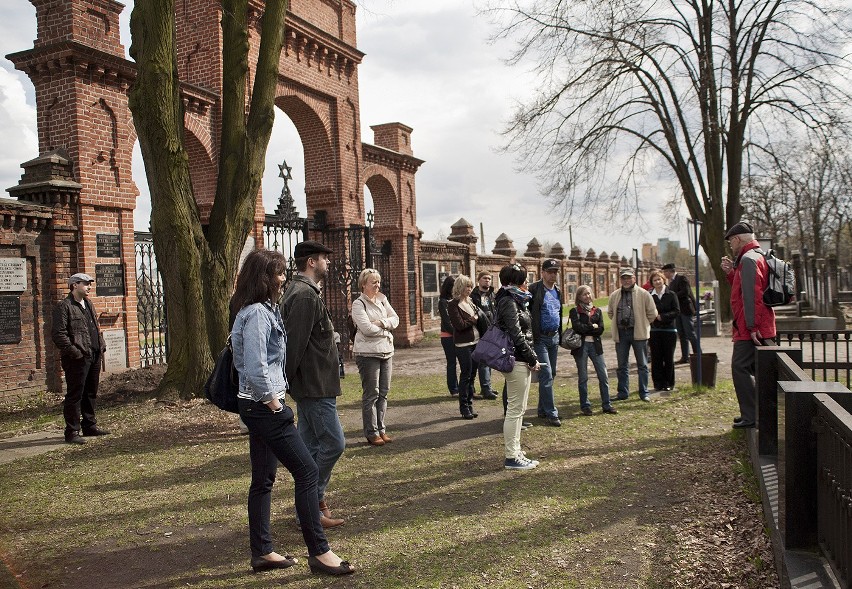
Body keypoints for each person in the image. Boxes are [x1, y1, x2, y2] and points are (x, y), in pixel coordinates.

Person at [230, 249, 354, 577]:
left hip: (256, 406)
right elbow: (256, 365)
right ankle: (320, 552)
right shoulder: (256, 312)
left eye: (283, 272)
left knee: (263, 479)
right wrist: (275, 403)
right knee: (308, 472)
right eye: (278, 273)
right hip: (263, 407)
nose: (283, 278)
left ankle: (263, 552)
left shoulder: (261, 309)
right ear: (263, 278)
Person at [280, 240, 345, 529]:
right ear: (311, 263)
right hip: (313, 384)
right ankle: (312, 503)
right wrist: (285, 381)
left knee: (308, 448)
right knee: (333, 443)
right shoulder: (304, 295)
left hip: (314, 382)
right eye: (323, 259)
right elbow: (294, 344)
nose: (327, 263)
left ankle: (310, 507)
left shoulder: (303, 292)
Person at [721, 221, 776, 429]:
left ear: (736, 239)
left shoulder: (749, 259)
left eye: (731, 243)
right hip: (754, 325)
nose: (731, 247)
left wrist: (753, 327)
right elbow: (744, 288)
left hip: (750, 327)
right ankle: (754, 413)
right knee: (752, 368)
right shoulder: (754, 257)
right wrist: (730, 274)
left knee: (740, 368)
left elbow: (753, 296)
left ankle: (751, 416)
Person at [51, 272, 109, 444]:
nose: (89, 287)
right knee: (75, 394)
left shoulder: (89, 304)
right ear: (74, 285)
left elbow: (94, 327)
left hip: (94, 355)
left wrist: (101, 343)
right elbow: (58, 334)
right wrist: (74, 352)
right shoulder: (64, 306)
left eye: (90, 284)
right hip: (77, 358)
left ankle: (89, 426)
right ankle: (72, 431)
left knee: (91, 392)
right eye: (85, 284)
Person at [495, 263, 543, 470]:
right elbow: (516, 334)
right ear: (515, 281)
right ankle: (511, 456)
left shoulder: (516, 299)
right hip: (517, 360)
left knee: (519, 409)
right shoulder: (508, 301)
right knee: (515, 410)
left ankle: (515, 450)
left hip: (521, 358)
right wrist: (532, 357)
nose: (527, 283)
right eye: (524, 279)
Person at [352, 268, 399, 446]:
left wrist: (381, 322)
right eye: (373, 282)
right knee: (372, 394)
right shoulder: (358, 304)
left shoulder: (382, 299)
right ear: (364, 284)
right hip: (368, 354)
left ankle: (382, 429)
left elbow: (396, 319)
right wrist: (386, 327)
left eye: (378, 282)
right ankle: (371, 432)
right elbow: (366, 329)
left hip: (387, 351)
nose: (377, 285)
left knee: (384, 393)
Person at [608, 268, 659, 402]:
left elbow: (652, 313)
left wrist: (643, 323)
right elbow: (610, 313)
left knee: (642, 364)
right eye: (623, 278)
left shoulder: (643, 294)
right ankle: (623, 392)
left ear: (634, 279)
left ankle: (644, 392)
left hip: (638, 333)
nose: (626, 280)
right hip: (621, 333)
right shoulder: (615, 295)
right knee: (622, 366)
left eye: (628, 278)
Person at [569, 285, 616, 415]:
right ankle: (585, 406)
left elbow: (600, 329)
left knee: (603, 375)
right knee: (583, 377)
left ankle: (607, 405)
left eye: (589, 293)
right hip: (581, 347)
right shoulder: (575, 311)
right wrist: (592, 327)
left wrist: (590, 328)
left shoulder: (598, 311)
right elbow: (578, 327)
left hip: (595, 346)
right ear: (579, 297)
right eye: (584, 294)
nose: (587, 296)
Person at [528, 258, 563, 426]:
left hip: (554, 337)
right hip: (540, 338)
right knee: (546, 374)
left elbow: (558, 312)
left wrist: (560, 335)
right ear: (542, 272)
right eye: (550, 271)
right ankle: (551, 412)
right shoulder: (534, 289)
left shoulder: (558, 290)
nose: (553, 274)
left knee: (551, 374)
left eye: (555, 271)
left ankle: (542, 409)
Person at [448, 275, 481, 419]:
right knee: (466, 375)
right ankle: (464, 408)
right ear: (460, 287)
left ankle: (470, 404)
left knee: (473, 375)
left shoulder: (471, 302)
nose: (469, 289)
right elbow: (459, 325)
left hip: (476, 342)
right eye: (467, 286)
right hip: (463, 345)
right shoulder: (453, 304)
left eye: (470, 286)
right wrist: (473, 320)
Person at [648, 270, 680, 392]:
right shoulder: (650, 296)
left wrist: (663, 316)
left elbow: (676, 311)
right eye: (654, 280)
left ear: (663, 280)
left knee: (668, 357)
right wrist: (654, 317)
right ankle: (658, 383)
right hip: (654, 330)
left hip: (669, 330)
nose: (657, 282)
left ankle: (669, 383)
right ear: (652, 283)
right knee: (656, 358)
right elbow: (647, 311)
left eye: (659, 279)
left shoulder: (671, 294)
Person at [662, 263, 698, 363]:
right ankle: (685, 357)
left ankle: (697, 355)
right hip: (678, 311)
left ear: (670, 271)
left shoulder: (681, 278)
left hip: (685, 309)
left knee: (690, 333)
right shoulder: (671, 282)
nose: (664, 274)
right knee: (682, 335)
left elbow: (685, 292)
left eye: (665, 272)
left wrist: (672, 296)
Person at [470, 270, 498, 400]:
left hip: (492, 331)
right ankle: (486, 389)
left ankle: (488, 387)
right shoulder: (473, 295)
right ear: (479, 280)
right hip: (480, 332)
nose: (487, 280)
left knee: (489, 360)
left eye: (489, 279)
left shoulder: (492, 294)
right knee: (483, 361)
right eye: (485, 278)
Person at [438, 275, 461, 397]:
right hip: (448, 336)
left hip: (460, 335)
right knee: (452, 362)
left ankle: (464, 387)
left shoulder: (458, 300)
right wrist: (458, 333)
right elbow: (447, 322)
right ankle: (454, 389)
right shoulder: (443, 302)